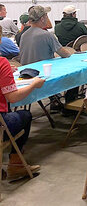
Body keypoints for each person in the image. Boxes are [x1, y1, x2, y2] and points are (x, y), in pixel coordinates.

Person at [0, 25, 45, 179]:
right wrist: (33, 84)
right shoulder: (1, 63)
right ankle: (16, 163)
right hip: (0, 123)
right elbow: (13, 97)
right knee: (25, 115)